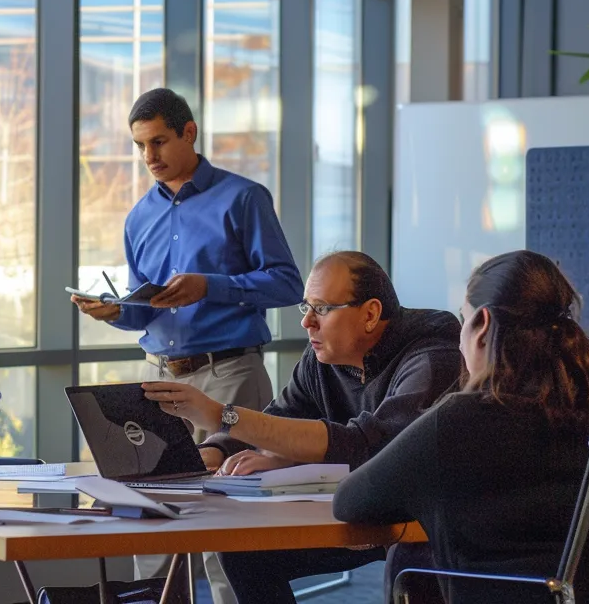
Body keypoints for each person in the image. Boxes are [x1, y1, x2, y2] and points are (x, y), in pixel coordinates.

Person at [73, 87, 302, 601]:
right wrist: (115, 313)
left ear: (189, 133)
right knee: (151, 523)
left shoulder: (244, 198)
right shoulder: (138, 218)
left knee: (229, 531)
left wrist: (211, 285)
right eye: (139, 146)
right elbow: (144, 311)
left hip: (229, 375)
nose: (149, 158)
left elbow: (288, 283)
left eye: (158, 142)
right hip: (157, 377)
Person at [142, 251, 462, 604]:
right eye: (305, 308)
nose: (307, 322)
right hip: (358, 508)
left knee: (410, 561)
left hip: (428, 523)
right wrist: (210, 451)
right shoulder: (323, 356)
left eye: (321, 308)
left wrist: (225, 416)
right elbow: (281, 415)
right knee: (244, 548)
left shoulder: (433, 356)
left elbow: (375, 447)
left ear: (370, 314)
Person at [330, 250, 589, 604]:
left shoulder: (459, 421)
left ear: (483, 325)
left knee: (409, 560)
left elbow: (350, 502)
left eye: (464, 321)